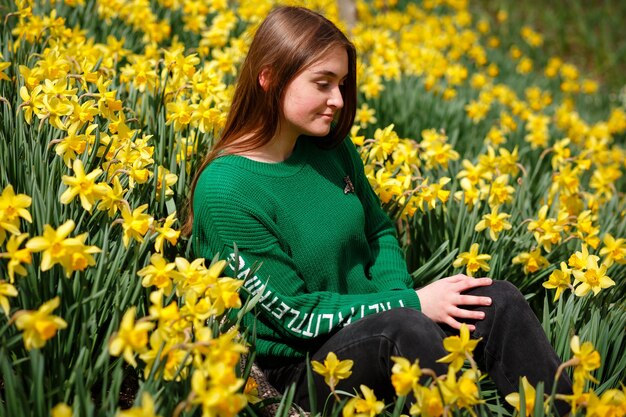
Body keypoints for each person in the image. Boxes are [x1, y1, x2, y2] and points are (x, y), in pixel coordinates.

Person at [184, 5, 571, 414]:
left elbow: (379, 230)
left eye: (341, 83)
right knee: (405, 328)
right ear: (269, 78)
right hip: (302, 369)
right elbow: (293, 316)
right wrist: (409, 306)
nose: (337, 99)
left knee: (497, 301)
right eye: (322, 83)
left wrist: (399, 299)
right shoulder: (227, 191)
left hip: (381, 324)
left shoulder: (329, 148)